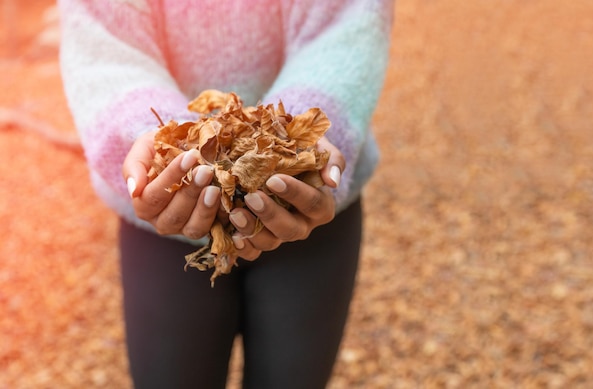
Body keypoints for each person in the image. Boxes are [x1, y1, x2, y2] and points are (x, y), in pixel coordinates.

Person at [58, 1, 393, 388]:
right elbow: (103, 40)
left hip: (309, 208)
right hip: (166, 223)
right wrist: (162, 141)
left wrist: (295, 140)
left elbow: (348, 21)